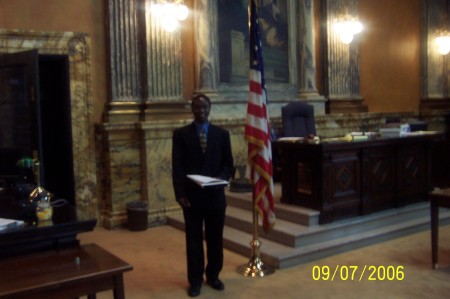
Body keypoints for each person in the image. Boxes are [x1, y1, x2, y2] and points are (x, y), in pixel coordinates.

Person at [172, 93, 234, 297]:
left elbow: (228, 165)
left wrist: (220, 179)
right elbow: (177, 167)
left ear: (210, 109)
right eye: (197, 107)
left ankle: (214, 275)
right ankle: (195, 280)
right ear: (192, 109)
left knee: (216, 239)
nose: (201, 111)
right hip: (192, 198)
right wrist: (179, 193)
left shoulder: (222, 135)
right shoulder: (181, 135)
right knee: (194, 241)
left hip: (215, 196)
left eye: (204, 107)